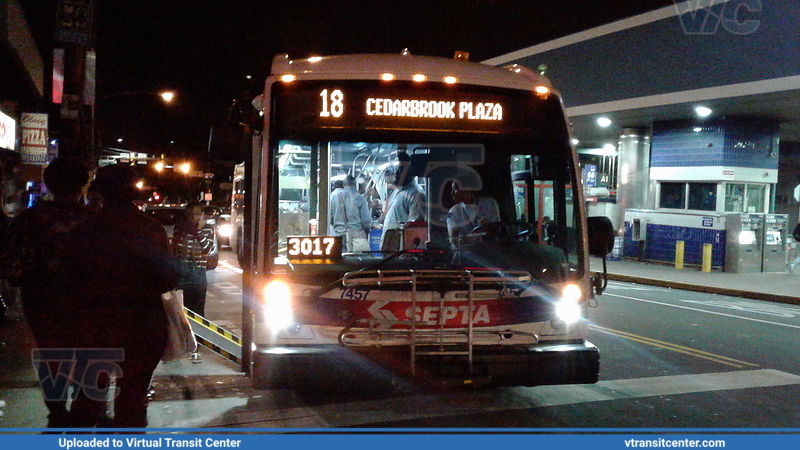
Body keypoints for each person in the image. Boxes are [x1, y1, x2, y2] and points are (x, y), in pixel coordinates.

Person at [64, 163, 179, 428]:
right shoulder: (152, 230)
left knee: (88, 401)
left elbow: (68, 282)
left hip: (96, 328)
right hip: (143, 327)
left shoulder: (84, 231)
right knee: (133, 402)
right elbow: (169, 279)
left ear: (100, 192)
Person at [0, 157, 91, 428]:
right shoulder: (95, 221)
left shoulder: (28, 220)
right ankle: (85, 411)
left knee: (52, 358)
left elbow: (9, 267)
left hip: (41, 304)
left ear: (48, 183)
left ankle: (57, 414)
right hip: (88, 305)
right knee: (88, 356)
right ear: (83, 186)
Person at [172, 202, 215, 320]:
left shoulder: (208, 229)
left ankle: (198, 338)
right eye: (190, 214)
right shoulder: (180, 227)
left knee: (198, 310)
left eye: (197, 214)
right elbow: (177, 248)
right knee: (181, 310)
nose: (193, 217)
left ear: (202, 215)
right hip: (182, 269)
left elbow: (206, 248)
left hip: (198, 272)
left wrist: (199, 231)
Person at [380, 152, 426, 251]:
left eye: (401, 171)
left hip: (400, 251)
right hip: (389, 249)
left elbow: (414, 227)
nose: (396, 173)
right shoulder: (397, 191)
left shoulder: (417, 194)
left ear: (410, 173)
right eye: (397, 170)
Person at [446, 181, 500, 248]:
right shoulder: (454, 211)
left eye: (455, 189)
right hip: (467, 254)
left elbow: (496, 230)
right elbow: (453, 239)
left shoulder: (489, 203)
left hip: (490, 249)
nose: (452, 193)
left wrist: (487, 226)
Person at [330, 175, 372, 252]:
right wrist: (366, 231)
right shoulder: (360, 198)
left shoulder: (335, 197)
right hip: (356, 236)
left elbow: (330, 218)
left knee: (340, 260)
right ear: (354, 184)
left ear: (343, 185)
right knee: (356, 261)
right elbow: (366, 220)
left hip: (339, 234)